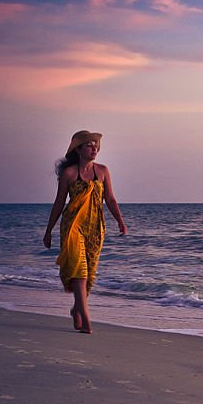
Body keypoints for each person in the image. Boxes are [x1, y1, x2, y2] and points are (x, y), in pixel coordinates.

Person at [43, 130, 127, 334]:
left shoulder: (103, 171)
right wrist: (49, 230)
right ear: (78, 149)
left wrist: (120, 222)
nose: (94, 149)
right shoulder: (69, 173)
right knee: (79, 271)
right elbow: (59, 202)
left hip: (96, 227)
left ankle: (77, 310)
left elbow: (111, 199)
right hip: (72, 227)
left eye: (96, 145)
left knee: (89, 274)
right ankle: (87, 321)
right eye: (89, 145)